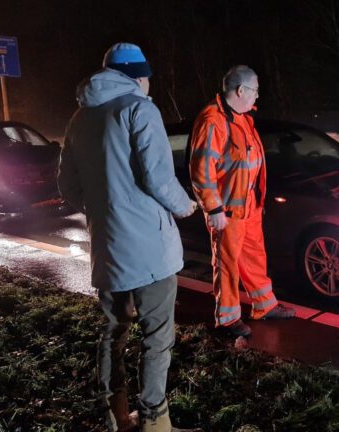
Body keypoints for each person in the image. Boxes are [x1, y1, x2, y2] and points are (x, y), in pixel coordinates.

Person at [58, 42, 197, 432]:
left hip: (108, 247)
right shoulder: (139, 109)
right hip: (150, 249)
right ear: (138, 76)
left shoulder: (79, 118)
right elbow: (158, 177)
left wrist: (104, 210)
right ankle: (154, 420)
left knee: (113, 332)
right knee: (157, 336)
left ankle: (115, 416)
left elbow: (67, 185)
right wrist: (184, 206)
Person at [189, 65, 295, 338]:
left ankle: (264, 305)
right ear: (240, 90)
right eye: (255, 91)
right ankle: (227, 320)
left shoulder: (242, 119)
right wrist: (213, 208)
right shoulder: (213, 120)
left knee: (254, 256)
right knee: (226, 263)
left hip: (248, 206)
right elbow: (201, 170)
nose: (257, 96)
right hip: (227, 210)